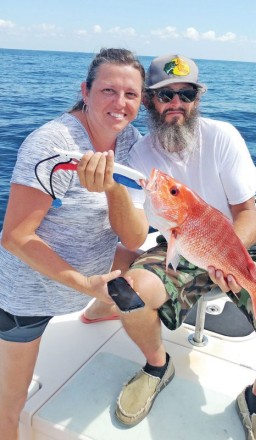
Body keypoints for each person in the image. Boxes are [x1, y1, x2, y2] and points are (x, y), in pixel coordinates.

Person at [82, 54, 256, 440]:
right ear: (150, 101)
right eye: (165, 95)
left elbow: (247, 212)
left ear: (196, 99)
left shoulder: (222, 136)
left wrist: (228, 254)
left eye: (186, 94)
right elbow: (134, 235)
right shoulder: (139, 155)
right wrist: (114, 277)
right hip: (176, 242)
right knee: (125, 293)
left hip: (236, 242)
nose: (176, 103)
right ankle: (157, 365)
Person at [0, 48, 149, 440]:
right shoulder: (53, 144)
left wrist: (113, 188)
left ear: (141, 100)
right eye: (108, 91)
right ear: (85, 91)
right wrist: (84, 284)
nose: (120, 104)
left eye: (131, 94)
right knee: (9, 408)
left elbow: (134, 237)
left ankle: (99, 308)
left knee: (139, 252)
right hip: (29, 295)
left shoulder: (132, 142)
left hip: (92, 282)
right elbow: (15, 236)